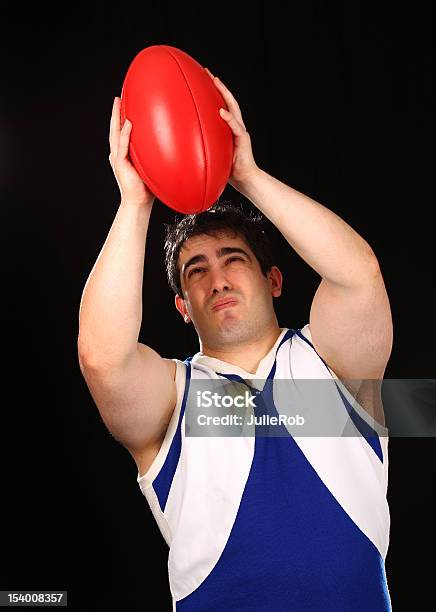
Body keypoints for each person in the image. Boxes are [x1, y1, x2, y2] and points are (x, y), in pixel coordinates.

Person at [78, 68, 393, 611]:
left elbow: (357, 275)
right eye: (195, 270)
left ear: (273, 280)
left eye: (233, 259)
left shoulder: (333, 365)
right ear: (182, 307)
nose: (217, 278)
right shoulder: (173, 401)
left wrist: (246, 175)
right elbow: (103, 359)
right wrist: (135, 203)